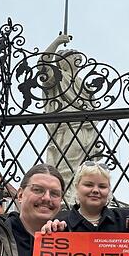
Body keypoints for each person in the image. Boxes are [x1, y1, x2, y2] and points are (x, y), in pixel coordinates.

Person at [38, 33, 100, 206]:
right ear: (63, 61)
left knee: (87, 168)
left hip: (88, 129)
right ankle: (65, 199)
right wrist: (57, 42)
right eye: (73, 56)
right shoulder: (57, 76)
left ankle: (80, 198)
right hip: (68, 128)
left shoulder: (81, 82)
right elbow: (43, 65)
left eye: (77, 56)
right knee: (66, 166)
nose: (77, 59)